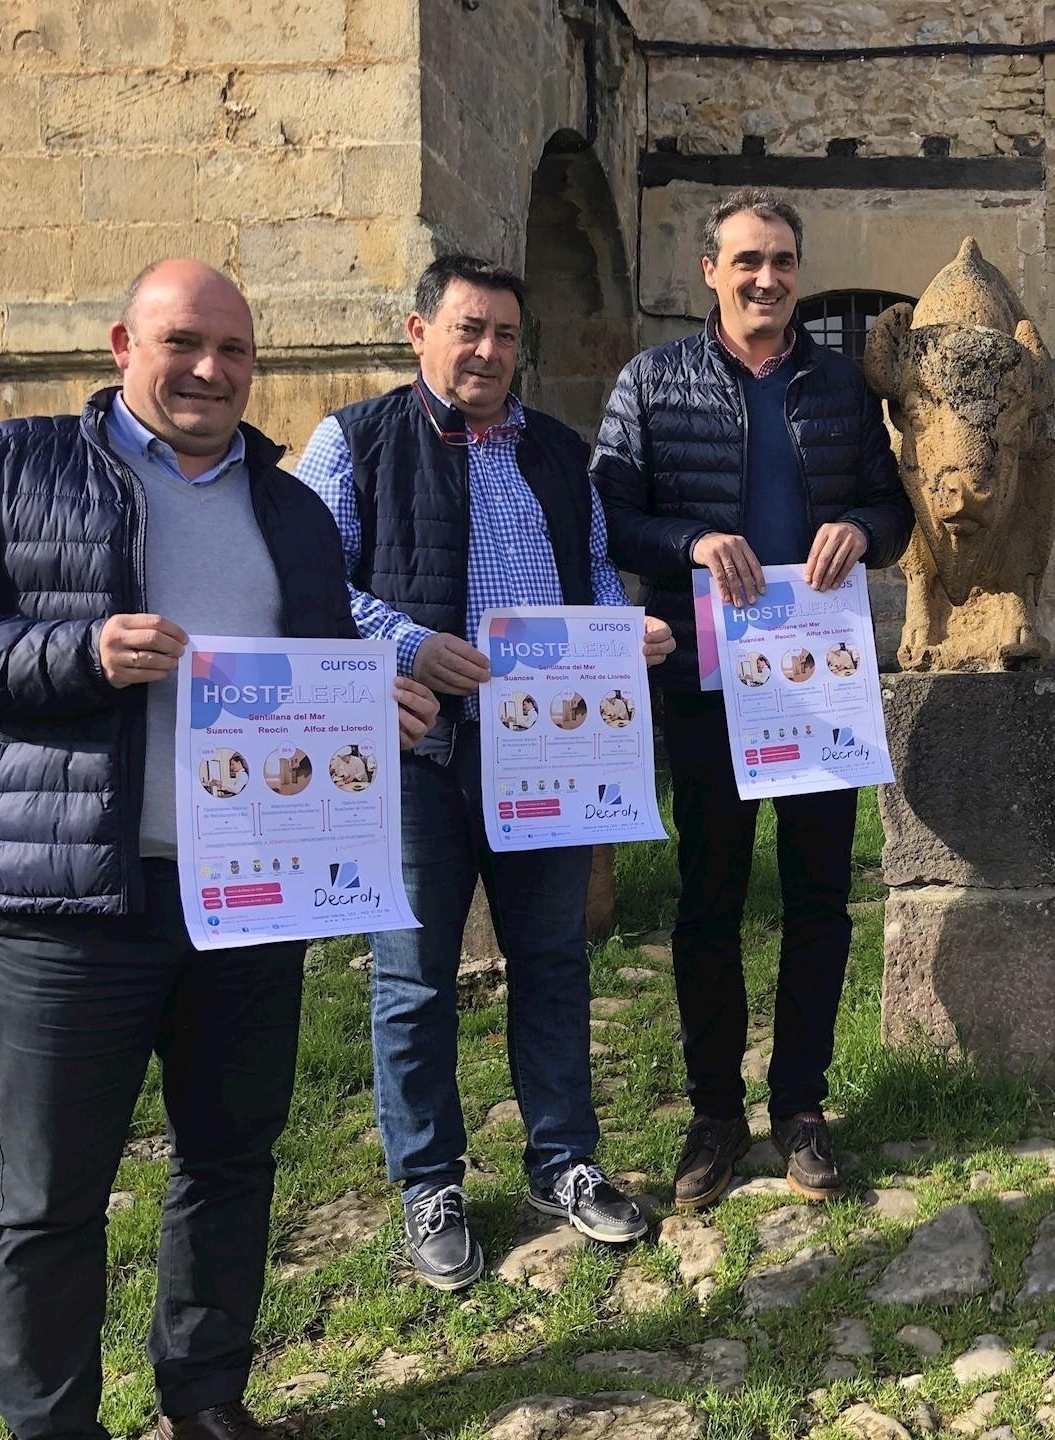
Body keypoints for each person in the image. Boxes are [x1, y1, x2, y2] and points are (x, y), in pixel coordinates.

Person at [0, 259, 439, 1440]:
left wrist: (370, 706)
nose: (211, 370)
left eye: (234, 351)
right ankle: (52, 1426)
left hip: (251, 891)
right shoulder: (1, 468)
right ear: (124, 345)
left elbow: (310, 675)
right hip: (74, 898)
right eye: (183, 343)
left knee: (230, 1162)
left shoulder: (291, 510)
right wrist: (77, 654)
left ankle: (205, 1398)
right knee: (49, 1199)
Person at [297, 254, 676, 1288]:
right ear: (418, 331)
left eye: (506, 334)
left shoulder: (558, 451)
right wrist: (410, 645)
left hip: (545, 751)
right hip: (417, 751)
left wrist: (623, 634)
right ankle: (430, 1184)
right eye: (469, 328)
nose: (488, 351)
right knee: (415, 979)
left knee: (552, 961)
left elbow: (592, 579)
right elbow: (310, 583)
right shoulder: (354, 440)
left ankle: (563, 1161)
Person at [592, 187, 913, 1210]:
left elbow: (892, 506)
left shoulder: (839, 388)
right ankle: (715, 1113)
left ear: (797, 273)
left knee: (820, 899)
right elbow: (610, 516)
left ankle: (801, 1106)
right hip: (705, 680)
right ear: (711, 272)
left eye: (781, 261)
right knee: (710, 903)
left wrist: (863, 530)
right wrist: (690, 541)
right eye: (747, 261)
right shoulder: (653, 382)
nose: (766, 279)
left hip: (818, 686)